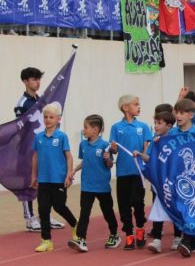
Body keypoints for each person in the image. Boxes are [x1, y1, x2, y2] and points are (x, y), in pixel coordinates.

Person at [14, 66, 63, 231]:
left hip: (42, 147)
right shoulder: (22, 103)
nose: (38, 82)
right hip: (27, 148)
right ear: (25, 81)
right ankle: (29, 219)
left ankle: (45, 215)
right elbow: (22, 129)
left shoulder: (41, 101)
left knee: (43, 182)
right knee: (29, 182)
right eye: (34, 79)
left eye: (39, 79)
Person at [68, 115, 120, 252]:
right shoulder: (83, 145)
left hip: (102, 186)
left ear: (95, 129)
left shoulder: (104, 145)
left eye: (86, 127)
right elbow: (86, 161)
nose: (83, 130)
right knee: (84, 213)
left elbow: (109, 165)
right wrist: (74, 170)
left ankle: (114, 234)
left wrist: (108, 159)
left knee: (107, 212)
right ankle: (81, 239)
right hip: (87, 186)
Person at [30, 103, 78, 252]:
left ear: (58, 119)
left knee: (59, 206)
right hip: (43, 179)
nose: (48, 120)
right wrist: (33, 176)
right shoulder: (38, 137)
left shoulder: (62, 136)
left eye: (51, 117)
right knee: (43, 209)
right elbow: (35, 157)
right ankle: (46, 240)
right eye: (46, 117)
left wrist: (69, 174)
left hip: (58, 179)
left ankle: (75, 224)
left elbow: (68, 157)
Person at [109, 95, 152, 250]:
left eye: (139, 104)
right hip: (123, 172)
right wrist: (112, 148)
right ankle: (128, 234)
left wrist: (141, 155)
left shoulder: (143, 126)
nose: (139, 107)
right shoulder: (116, 127)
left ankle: (140, 228)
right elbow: (114, 149)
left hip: (138, 172)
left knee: (138, 202)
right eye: (136, 104)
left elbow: (147, 147)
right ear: (125, 108)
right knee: (124, 204)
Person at [167, 99, 195, 258]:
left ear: (191, 115)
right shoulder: (172, 133)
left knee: (191, 209)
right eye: (176, 112)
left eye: (182, 113)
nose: (178, 116)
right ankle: (194, 241)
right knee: (181, 209)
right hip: (177, 178)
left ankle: (188, 241)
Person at [139, 110, 180, 254]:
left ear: (169, 126)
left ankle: (178, 237)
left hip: (174, 181)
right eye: (155, 122)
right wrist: (140, 155)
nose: (155, 126)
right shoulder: (155, 141)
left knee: (175, 208)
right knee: (158, 206)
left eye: (159, 123)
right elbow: (149, 158)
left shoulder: (176, 137)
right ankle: (157, 239)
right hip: (159, 182)